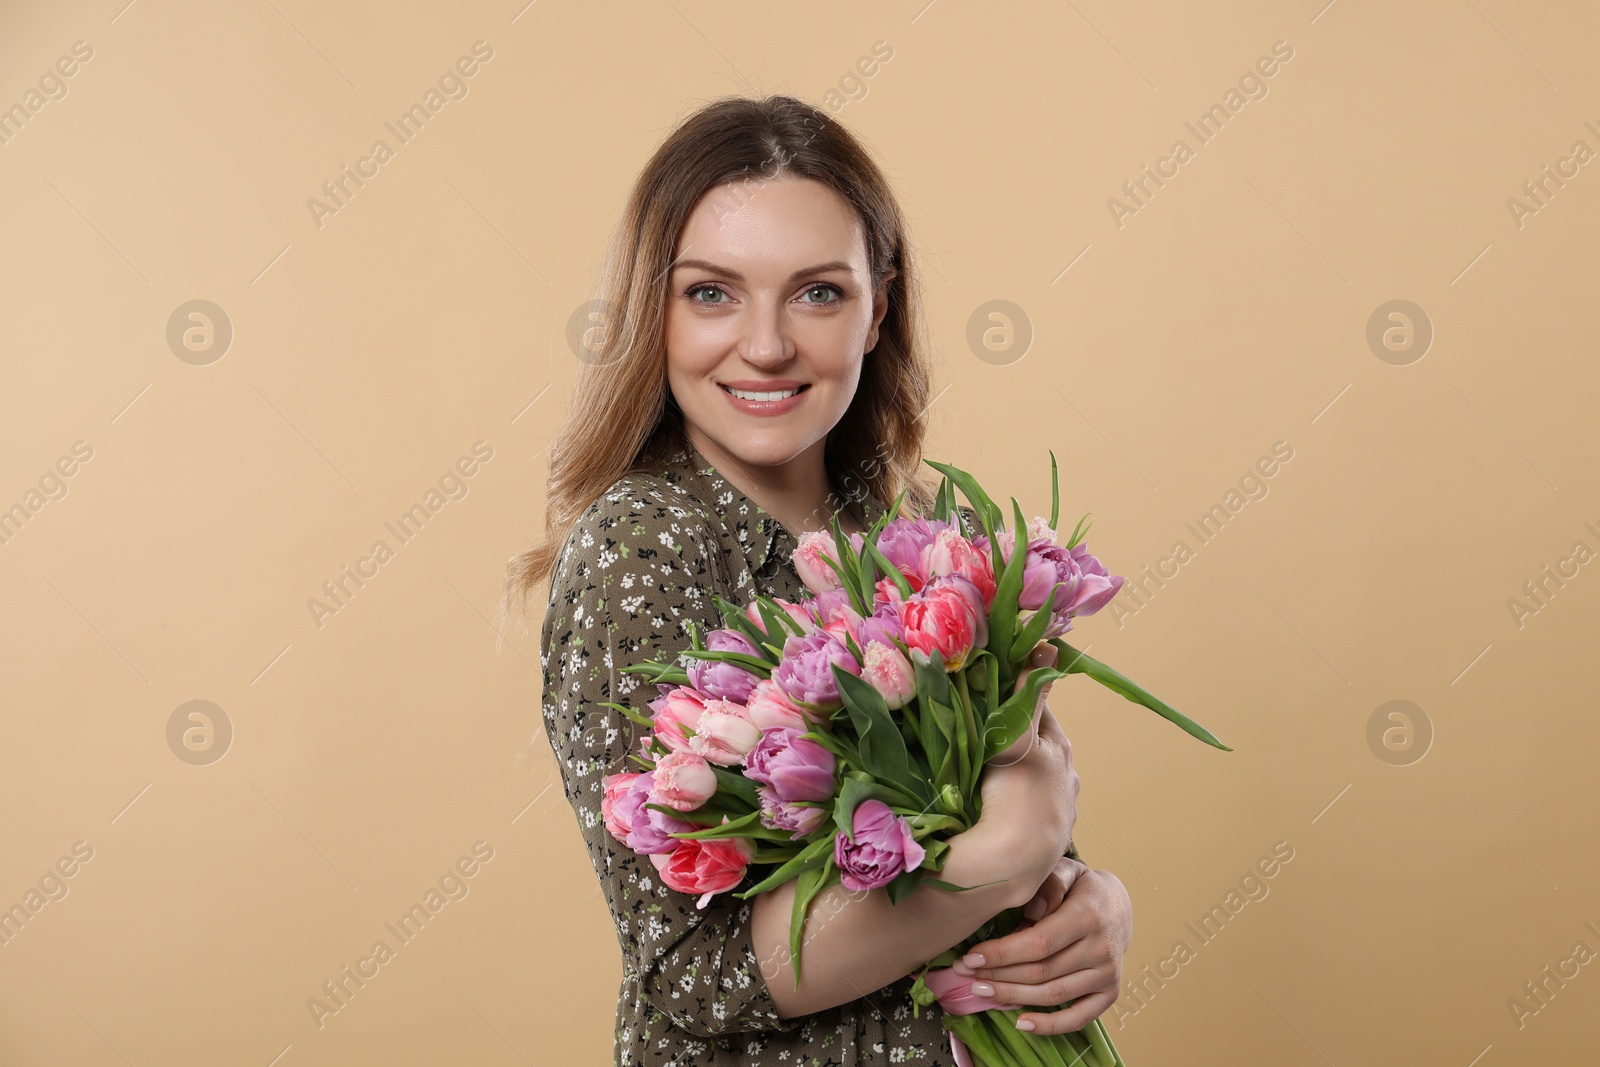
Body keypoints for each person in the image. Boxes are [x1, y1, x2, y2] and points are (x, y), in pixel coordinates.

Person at [503, 94, 1132, 1066]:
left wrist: (1091, 905)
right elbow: (688, 972)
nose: (765, 344)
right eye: (711, 292)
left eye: (817, 292)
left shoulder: (931, 535)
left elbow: (1025, 822)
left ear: (879, 306)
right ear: (652, 311)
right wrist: (995, 863)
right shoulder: (643, 549)